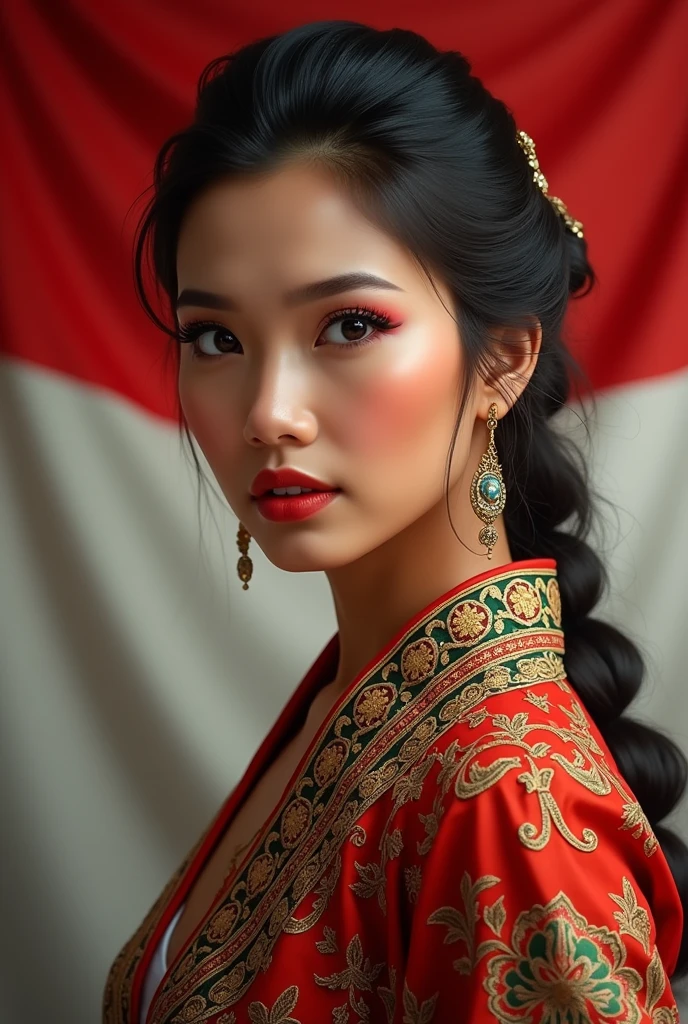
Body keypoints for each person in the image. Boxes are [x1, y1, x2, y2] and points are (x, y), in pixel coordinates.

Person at [103, 20, 686, 1024]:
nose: (267, 412)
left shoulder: (507, 795)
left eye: (348, 325)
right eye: (216, 336)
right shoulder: (357, 697)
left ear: (501, 359)